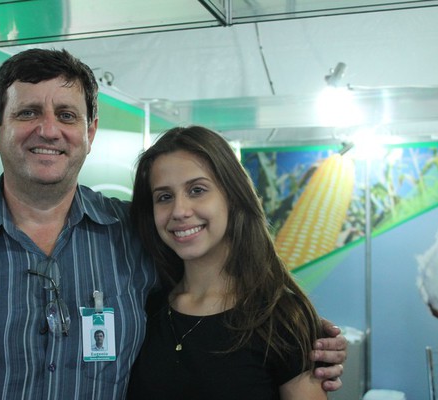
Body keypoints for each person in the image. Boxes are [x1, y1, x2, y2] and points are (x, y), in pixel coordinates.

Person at [0, 49, 345, 399]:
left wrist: (302, 340)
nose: (49, 129)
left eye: (67, 114)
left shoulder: (138, 236)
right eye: (28, 113)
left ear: (90, 131)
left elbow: (220, 299)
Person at [127, 126, 337, 399]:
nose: (179, 211)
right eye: (164, 197)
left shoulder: (281, 316)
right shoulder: (145, 309)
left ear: (232, 196)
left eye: (197, 190)